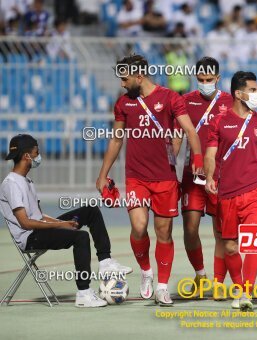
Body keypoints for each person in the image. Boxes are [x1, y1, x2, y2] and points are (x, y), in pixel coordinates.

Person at [96, 54, 203, 306]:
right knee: (139, 226)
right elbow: (116, 139)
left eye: (125, 78)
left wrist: (196, 158)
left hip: (165, 179)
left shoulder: (170, 98)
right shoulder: (123, 103)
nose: (122, 83)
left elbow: (189, 130)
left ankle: (162, 288)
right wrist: (102, 175)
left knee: (164, 232)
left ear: (139, 76)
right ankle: (146, 272)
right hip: (136, 178)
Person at [0, 134, 131, 308]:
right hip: (30, 238)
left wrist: (64, 223)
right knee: (80, 237)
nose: (39, 156)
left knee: (90, 210)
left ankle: (105, 262)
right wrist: (61, 225)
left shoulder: (27, 181)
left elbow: (39, 216)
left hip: (40, 229)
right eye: (36, 152)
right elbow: (25, 223)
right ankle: (83, 293)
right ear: (26, 156)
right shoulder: (11, 184)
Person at [205, 71, 257, 311]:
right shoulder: (219, 121)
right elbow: (210, 153)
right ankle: (238, 286)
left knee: (252, 244)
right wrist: (209, 176)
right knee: (229, 246)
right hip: (227, 193)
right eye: (253, 90)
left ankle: (246, 292)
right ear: (238, 93)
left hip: (256, 192)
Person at [174, 56, 233, 300]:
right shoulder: (184, 101)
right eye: (201, 79)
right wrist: (170, 164)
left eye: (209, 79)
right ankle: (200, 276)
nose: (205, 83)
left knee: (222, 232)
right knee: (190, 228)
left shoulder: (231, 102)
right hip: (193, 174)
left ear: (218, 78)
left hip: (221, 176)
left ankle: (219, 282)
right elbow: (178, 135)